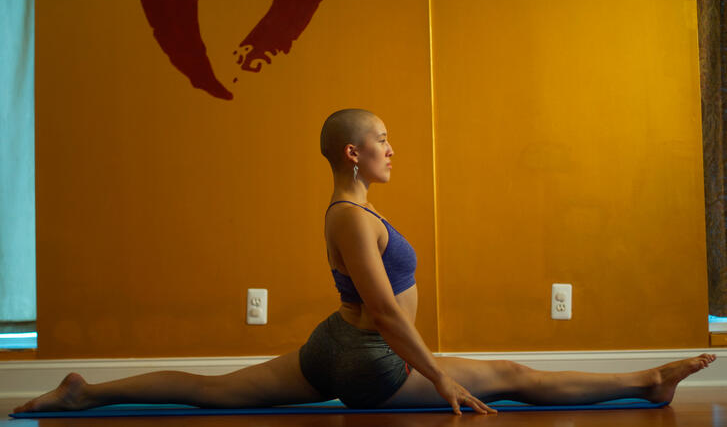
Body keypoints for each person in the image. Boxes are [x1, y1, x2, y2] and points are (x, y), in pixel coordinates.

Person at [13, 109, 717, 416]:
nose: (390, 147)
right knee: (508, 376)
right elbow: (382, 311)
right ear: (352, 152)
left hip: (335, 346)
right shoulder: (350, 216)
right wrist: (438, 375)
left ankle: (87, 392)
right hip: (369, 361)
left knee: (216, 390)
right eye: (381, 139)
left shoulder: (355, 212)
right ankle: (650, 379)